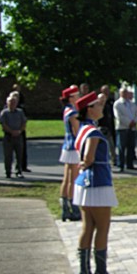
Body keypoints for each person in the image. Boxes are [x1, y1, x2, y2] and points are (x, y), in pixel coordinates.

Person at [72, 91, 121, 274]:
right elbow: (89, 157)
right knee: (102, 228)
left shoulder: (83, 128)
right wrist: (86, 163)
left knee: (87, 227)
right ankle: (100, 272)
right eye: (98, 105)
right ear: (90, 110)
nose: (101, 108)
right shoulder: (93, 132)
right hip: (97, 183)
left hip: (85, 184)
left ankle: (84, 272)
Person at [59, 85, 82, 221]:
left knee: (67, 178)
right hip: (73, 147)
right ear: (71, 98)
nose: (78, 97)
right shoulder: (72, 112)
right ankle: (73, 207)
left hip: (67, 146)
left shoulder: (67, 110)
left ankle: (64, 206)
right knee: (73, 178)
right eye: (77, 95)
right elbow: (76, 130)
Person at [0, 94, 26, 179]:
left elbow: (24, 123)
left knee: (19, 155)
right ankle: (8, 171)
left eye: (14, 102)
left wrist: (19, 131)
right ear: (7, 103)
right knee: (8, 155)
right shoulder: (4, 113)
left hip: (18, 136)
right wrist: (11, 131)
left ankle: (19, 171)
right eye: (10, 102)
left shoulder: (20, 112)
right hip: (8, 137)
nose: (12, 104)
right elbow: (3, 124)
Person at [113, 85, 137, 172]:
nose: (125, 94)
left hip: (132, 128)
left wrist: (134, 121)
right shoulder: (117, 104)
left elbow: (136, 114)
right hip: (122, 128)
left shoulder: (132, 104)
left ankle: (130, 164)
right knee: (121, 147)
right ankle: (121, 165)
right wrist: (129, 123)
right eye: (123, 93)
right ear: (120, 93)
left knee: (131, 146)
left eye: (126, 93)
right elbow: (119, 116)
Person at [98, 85, 117, 166]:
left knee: (112, 145)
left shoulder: (110, 103)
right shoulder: (98, 106)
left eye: (107, 91)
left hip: (110, 127)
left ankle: (114, 160)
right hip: (101, 128)